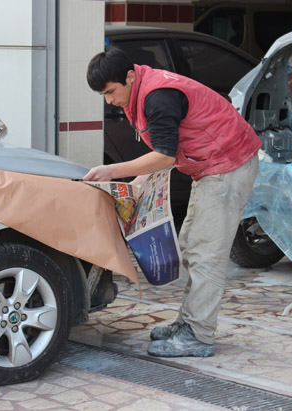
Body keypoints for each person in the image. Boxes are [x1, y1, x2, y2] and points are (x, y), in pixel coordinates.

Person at [83, 47, 261, 357]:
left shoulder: (157, 96)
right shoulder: (140, 90)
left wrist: (112, 171)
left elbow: (165, 155)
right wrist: (140, 180)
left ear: (129, 77)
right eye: (103, 95)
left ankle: (199, 336)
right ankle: (188, 322)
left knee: (206, 254)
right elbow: (168, 147)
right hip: (209, 167)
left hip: (228, 165)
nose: (108, 101)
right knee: (191, 245)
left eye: (110, 92)